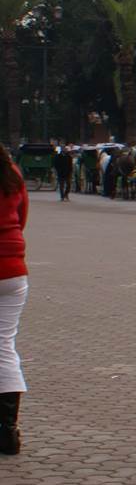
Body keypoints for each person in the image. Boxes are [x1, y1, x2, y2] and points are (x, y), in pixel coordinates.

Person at [0, 145, 29, 455]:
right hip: (13, 271)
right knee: (4, 346)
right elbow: (21, 220)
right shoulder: (13, 174)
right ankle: (8, 430)